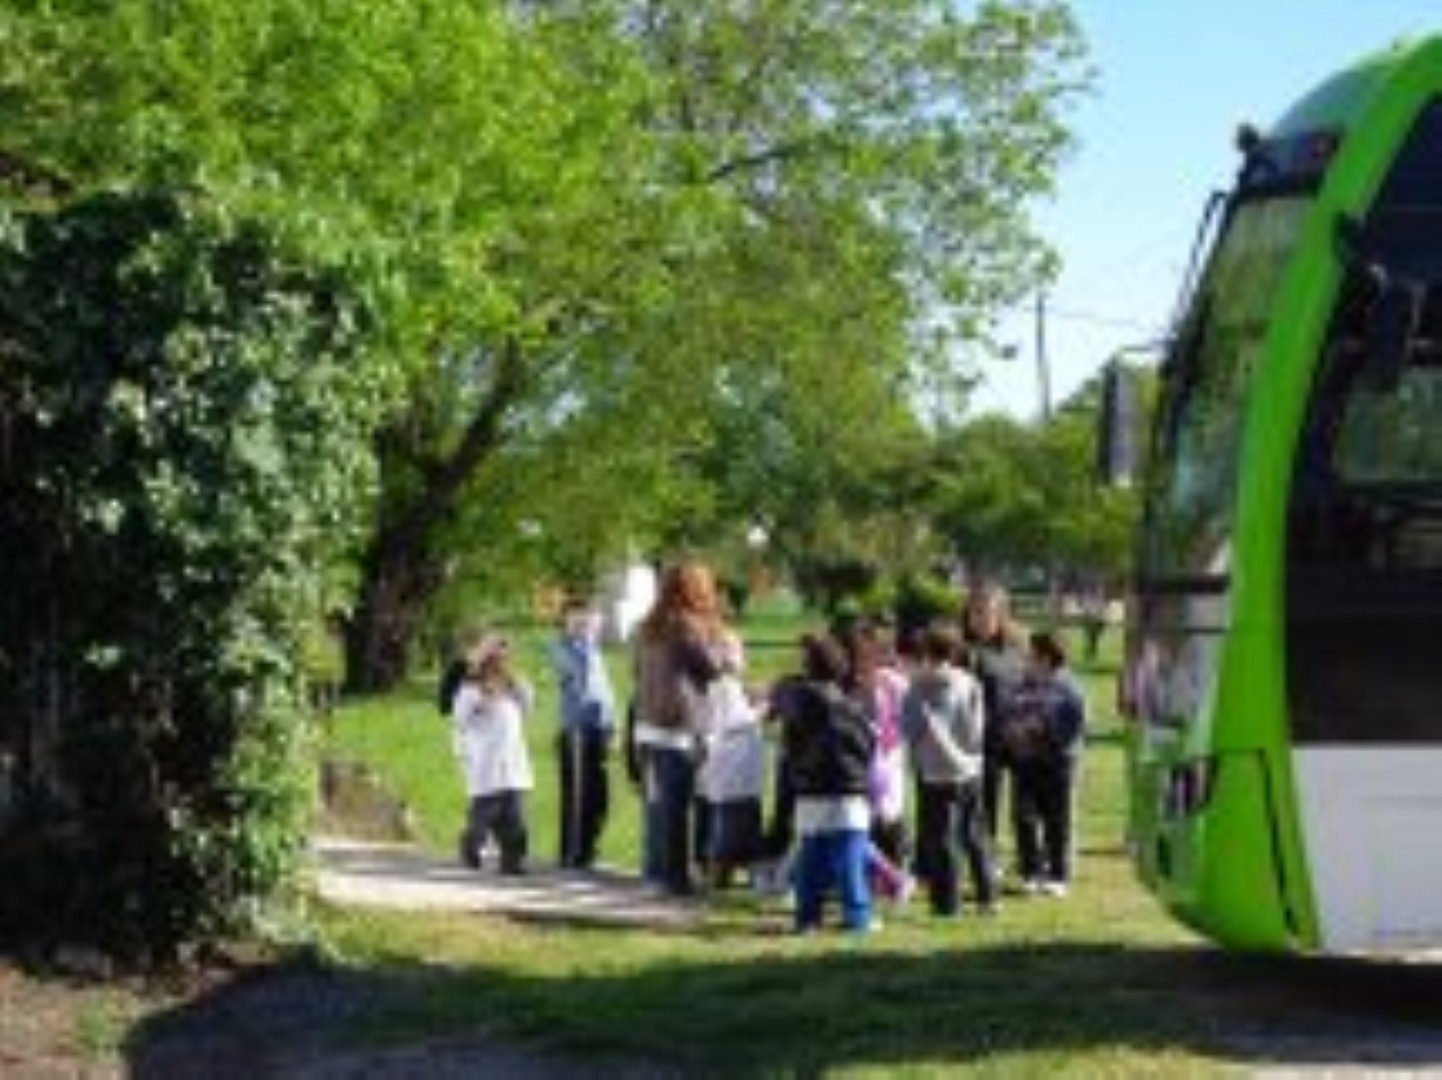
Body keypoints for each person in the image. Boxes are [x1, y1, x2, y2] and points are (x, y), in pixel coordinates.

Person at [632, 560, 733, 896]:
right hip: (678, 727)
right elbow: (711, 668)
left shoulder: (648, 625)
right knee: (676, 809)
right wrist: (727, 651)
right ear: (695, 590)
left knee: (657, 807)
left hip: (647, 726)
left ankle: (654, 873)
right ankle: (674, 880)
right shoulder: (686, 625)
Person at [782, 633, 877, 934]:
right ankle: (857, 917)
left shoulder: (796, 702)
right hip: (846, 792)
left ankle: (807, 918)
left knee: (811, 859)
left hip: (810, 791)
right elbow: (867, 746)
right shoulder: (847, 706)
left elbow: (790, 747)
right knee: (849, 859)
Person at [901, 624, 997, 917]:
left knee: (943, 839)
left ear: (926, 652)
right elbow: (978, 727)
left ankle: (948, 902)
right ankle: (987, 895)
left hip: (938, 772)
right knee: (975, 834)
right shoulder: (969, 681)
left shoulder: (920, 686)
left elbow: (911, 730)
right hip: (970, 769)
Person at [1008, 630, 1088, 897]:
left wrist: (1041, 730)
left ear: (1045, 657)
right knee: (1023, 818)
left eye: (1031, 655)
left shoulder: (1069, 686)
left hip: (1058, 764)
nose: (1026, 659)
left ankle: (1058, 875)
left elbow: (1075, 724)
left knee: (1057, 821)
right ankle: (1030, 872)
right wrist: (1014, 731)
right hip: (1026, 762)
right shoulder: (1024, 684)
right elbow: (1010, 713)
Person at [452, 633, 534, 875]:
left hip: (512, 765)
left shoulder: (513, 685)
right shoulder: (471, 688)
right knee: (482, 820)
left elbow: (528, 707)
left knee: (515, 821)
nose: (499, 663)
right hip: (486, 764)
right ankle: (470, 848)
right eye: (494, 658)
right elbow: (460, 718)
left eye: (504, 657)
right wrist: (482, 700)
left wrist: (520, 689)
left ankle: (513, 860)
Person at [963, 583, 1028, 864]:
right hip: (980, 739)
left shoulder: (1018, 647)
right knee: (984, 804)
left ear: (1001, 614)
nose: (979, 618)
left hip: (1017, 736)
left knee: (1025, 805)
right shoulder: (962, 650)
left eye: (985, 612)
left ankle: (1031, 861)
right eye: (974, 612)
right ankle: (988, 860)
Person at [695, 634, 766, 889]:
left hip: (740, 772)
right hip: (730, 770)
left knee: (740, 823)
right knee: (729, 827)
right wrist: (760, 709)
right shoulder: (722, 684)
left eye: (738, 650)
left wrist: (753, 701)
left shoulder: (731, 684)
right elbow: (731, 723)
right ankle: (717, 873)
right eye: (732, 651)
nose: (739, 657)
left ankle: (730, 871)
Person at [549, 599, 616, 870]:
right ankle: (572, 855)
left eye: (587, 618)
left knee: (600, 797)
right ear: (565, 622)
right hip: (576, 730)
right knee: (578, 796)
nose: (584, 623)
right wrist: (586, 642)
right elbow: (583, 682)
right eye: (576, 619)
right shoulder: (561, 648)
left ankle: (589, 850)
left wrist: (613, 724)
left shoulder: (594, 651)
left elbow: (605, 691)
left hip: (598, 730)